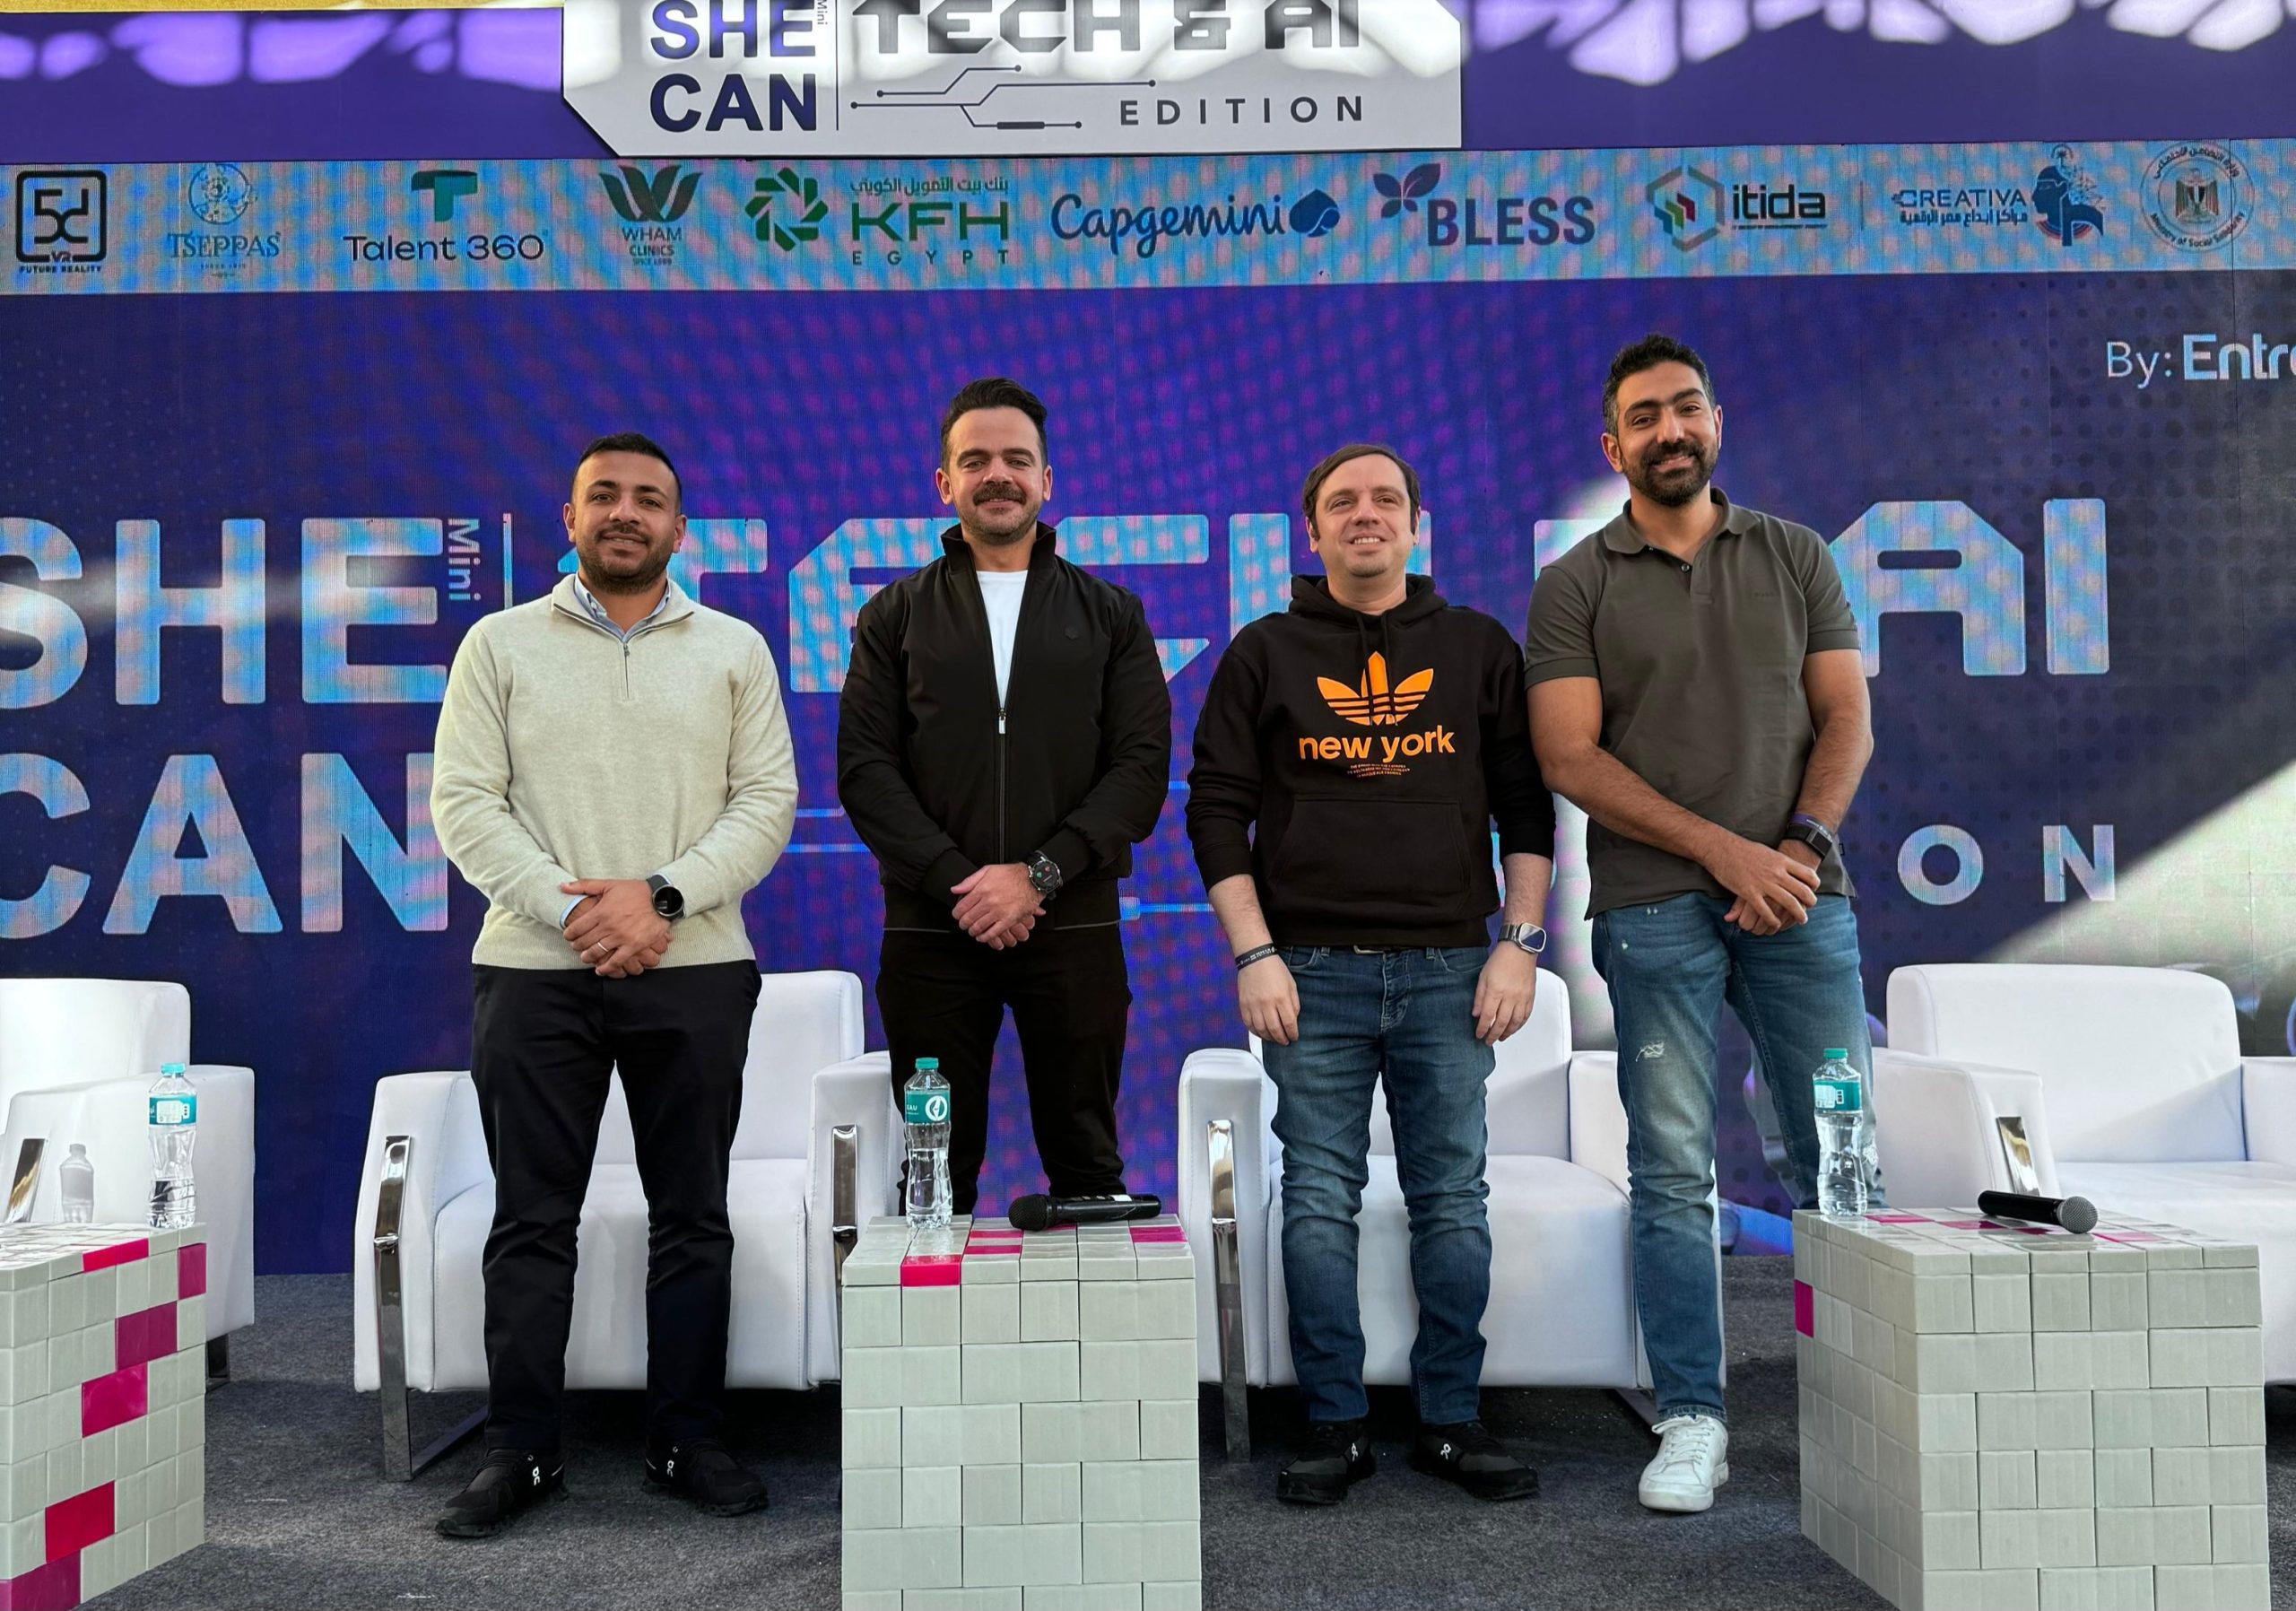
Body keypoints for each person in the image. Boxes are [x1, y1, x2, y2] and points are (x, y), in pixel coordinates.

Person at [1525, 334, 1876, 1513]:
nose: (1669, 429)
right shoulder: (1575, 582)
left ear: (1715, 423)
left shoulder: (1796, 554)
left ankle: (1865, 1406)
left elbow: (1845, 719)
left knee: (1839, 1158)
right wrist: (1727, 851)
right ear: (1612, 443)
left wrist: (1799, 849)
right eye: (1644, 416)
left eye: (1686, 408)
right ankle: (1692, 1416)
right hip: (1652, 910)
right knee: (1674, 1171)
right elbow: (1570, 756)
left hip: (1801, 900)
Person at [430, 432, 798, 1537]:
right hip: (533, 971)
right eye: (605, 496)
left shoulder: (733, 649)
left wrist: (661, 899)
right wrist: (577, 912)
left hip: (696, 969)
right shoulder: (498, 644)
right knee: (531, 1219)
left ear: (680, 528)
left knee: (692, 1215)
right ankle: (521, 1447)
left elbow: (765, 801)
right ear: (571, 517)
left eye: (648, 499)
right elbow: (464, 802)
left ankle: (687, 1436)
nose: (625, 513)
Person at [1187, 443, 1555, 1506]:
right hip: (1309, 971)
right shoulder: (1262, 652)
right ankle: (1334, 1421)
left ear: (1414, 523)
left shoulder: (1477, 647)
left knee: (1451, 1196)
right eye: (1341, 502)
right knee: (1316, 1197)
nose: (1365, 514)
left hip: (1453, 968)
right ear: (1311, 532)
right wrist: (1254, 952)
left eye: (1385, 499)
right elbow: (1215, 810)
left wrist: (1520, 943)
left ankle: (1451, 1418)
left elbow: (1525, 808)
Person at [838, 377, 1170, 1215]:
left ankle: (1086, 1310)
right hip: (932, 930)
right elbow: (866, 771)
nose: (998, 475)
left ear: (1046, 481)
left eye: (1017, 460)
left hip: (1074, 925)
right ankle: (933, 1304)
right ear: (943, 483)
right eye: (975, 460)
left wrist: (1038, 876)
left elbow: (1139, 771)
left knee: (1088, 1163)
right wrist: (964, 883)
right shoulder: (893, 616)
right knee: (934, 1173)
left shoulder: (1113, 615)